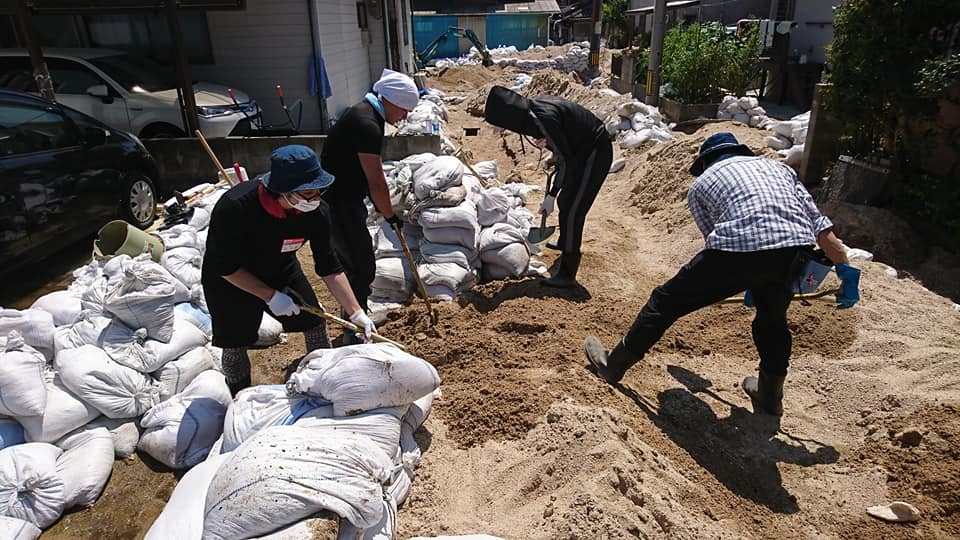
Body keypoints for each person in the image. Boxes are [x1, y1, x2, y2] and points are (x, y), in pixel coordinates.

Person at [583, 132, 861, 417]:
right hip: (793, 255)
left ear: (705, 163)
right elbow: (822, 230)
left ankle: (612, 365)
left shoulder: (702, 184)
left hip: (735, 253)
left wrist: (741, 277)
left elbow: (715, 240)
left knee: (665, 301)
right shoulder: (780, 169)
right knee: (772, 320)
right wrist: (846, 272)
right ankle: (770, 395)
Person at [202, 144, 376, 395]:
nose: (316, 198)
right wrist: (270, 297)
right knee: (235, 342)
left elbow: (328, 266)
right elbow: (225, 266)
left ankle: (322, 381)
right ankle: (238, 395)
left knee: (315, 321)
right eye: (308, 193)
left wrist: (356, 311)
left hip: (280, 269)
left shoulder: (316, 212)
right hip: (232, 279)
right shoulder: (235, 207)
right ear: (283, 191)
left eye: (319, 190)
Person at [321, 68, 419, 336]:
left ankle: (356, 315)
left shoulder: (365, 115)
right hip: (338, 201)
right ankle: (354, 325)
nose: (405, 116)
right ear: (390, 100)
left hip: (345, 197)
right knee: (359, 265)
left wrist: (383, 209)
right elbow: (376, 180)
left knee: (359, 262)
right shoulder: (367, 124)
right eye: (404, 109)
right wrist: (389, 215)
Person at [483, 85, 613, 287]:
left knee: (573, 210)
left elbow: (569, 161)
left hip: (594, 152)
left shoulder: (543, 118)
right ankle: (565, 242)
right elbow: (565, 138)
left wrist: (551, 195)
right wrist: (555, 154)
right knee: (566, 199)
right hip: (580, 150)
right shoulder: (534, 109)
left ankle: (567, 274)